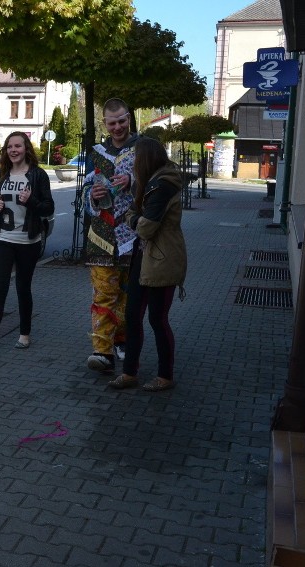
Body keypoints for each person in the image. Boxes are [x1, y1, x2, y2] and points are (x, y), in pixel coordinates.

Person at [109, 137, 187, 391]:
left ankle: (165, 376)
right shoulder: (149, 183)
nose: (132, 165)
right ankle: (130, 373)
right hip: (143, 257)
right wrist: (135, 216)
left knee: (157, 319)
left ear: (147, 159)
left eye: (135, 159)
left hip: (161, 258)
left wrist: (134, 219)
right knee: (132, 316)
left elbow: (146, 227)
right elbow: (135, 212)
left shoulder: (162, 185)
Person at [0, 131, 55, 359]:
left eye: (17, 146)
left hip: (28, 241)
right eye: (9, 146)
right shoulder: (3, 174)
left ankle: (24, 333)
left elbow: (48, 207)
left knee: (22, 287)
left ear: (26, 148)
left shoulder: (38, 175)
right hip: (3, 239)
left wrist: (31, 201)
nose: (13, 150)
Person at [83, 98, 139, 374]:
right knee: (103, 295)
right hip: (102, 238)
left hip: (134, 237)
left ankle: (122, 339)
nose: (117, 127)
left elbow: (160, 185)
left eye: (122, 121)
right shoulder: (96, 154)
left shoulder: (144, 150)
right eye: (112, 122)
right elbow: (84, 197)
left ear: (129, 118)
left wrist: (134, 182)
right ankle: (101, 350)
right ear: (104, 123)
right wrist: (92, 197)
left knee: (128, 298)